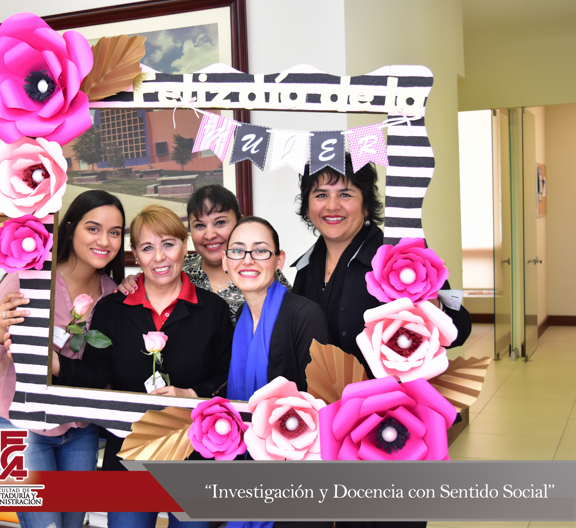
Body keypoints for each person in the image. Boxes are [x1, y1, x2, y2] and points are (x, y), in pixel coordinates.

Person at [291, 156, 471, 528]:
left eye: (346, 193)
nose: (332, 205)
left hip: (393, 425)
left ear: (366, 203)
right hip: (332, 426)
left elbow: (461, 326)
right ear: (307, 206)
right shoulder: (306, 268)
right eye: (320, 194)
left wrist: (431, 306)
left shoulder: (399, 254)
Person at [52, 204, 232, 528]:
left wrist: (191, 394)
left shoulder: (213, 310)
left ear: (185, 246)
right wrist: (57, 366)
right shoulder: (112, 309)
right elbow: (98, 374)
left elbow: (226, 375)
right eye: (147, 248)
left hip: (193, 450)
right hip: (130, 452)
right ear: (135, 254)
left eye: (169, 244)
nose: (159, 257)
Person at [0, 190, 126, 528]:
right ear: (69, 228)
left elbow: (105, 372)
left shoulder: (113, 295)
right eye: (93, 228)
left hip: (79, 430)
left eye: (114, 232)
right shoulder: (27, 280)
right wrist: (0, 331)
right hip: (19, 427)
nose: (104, 241)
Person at [120, 184, 291, 323]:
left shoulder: (262, 272)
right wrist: (133, 282)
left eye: (220, 222)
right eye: (200, 225)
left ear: (240, 223)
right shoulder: (178, 272)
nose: (209, 235)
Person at [223, 216, 330, 398]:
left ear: (279, 261)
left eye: (260, 250)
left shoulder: (305, 315)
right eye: (237, 250)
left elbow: (322, 399)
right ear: (225, 261)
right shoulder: (242, 315)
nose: (247, 260)